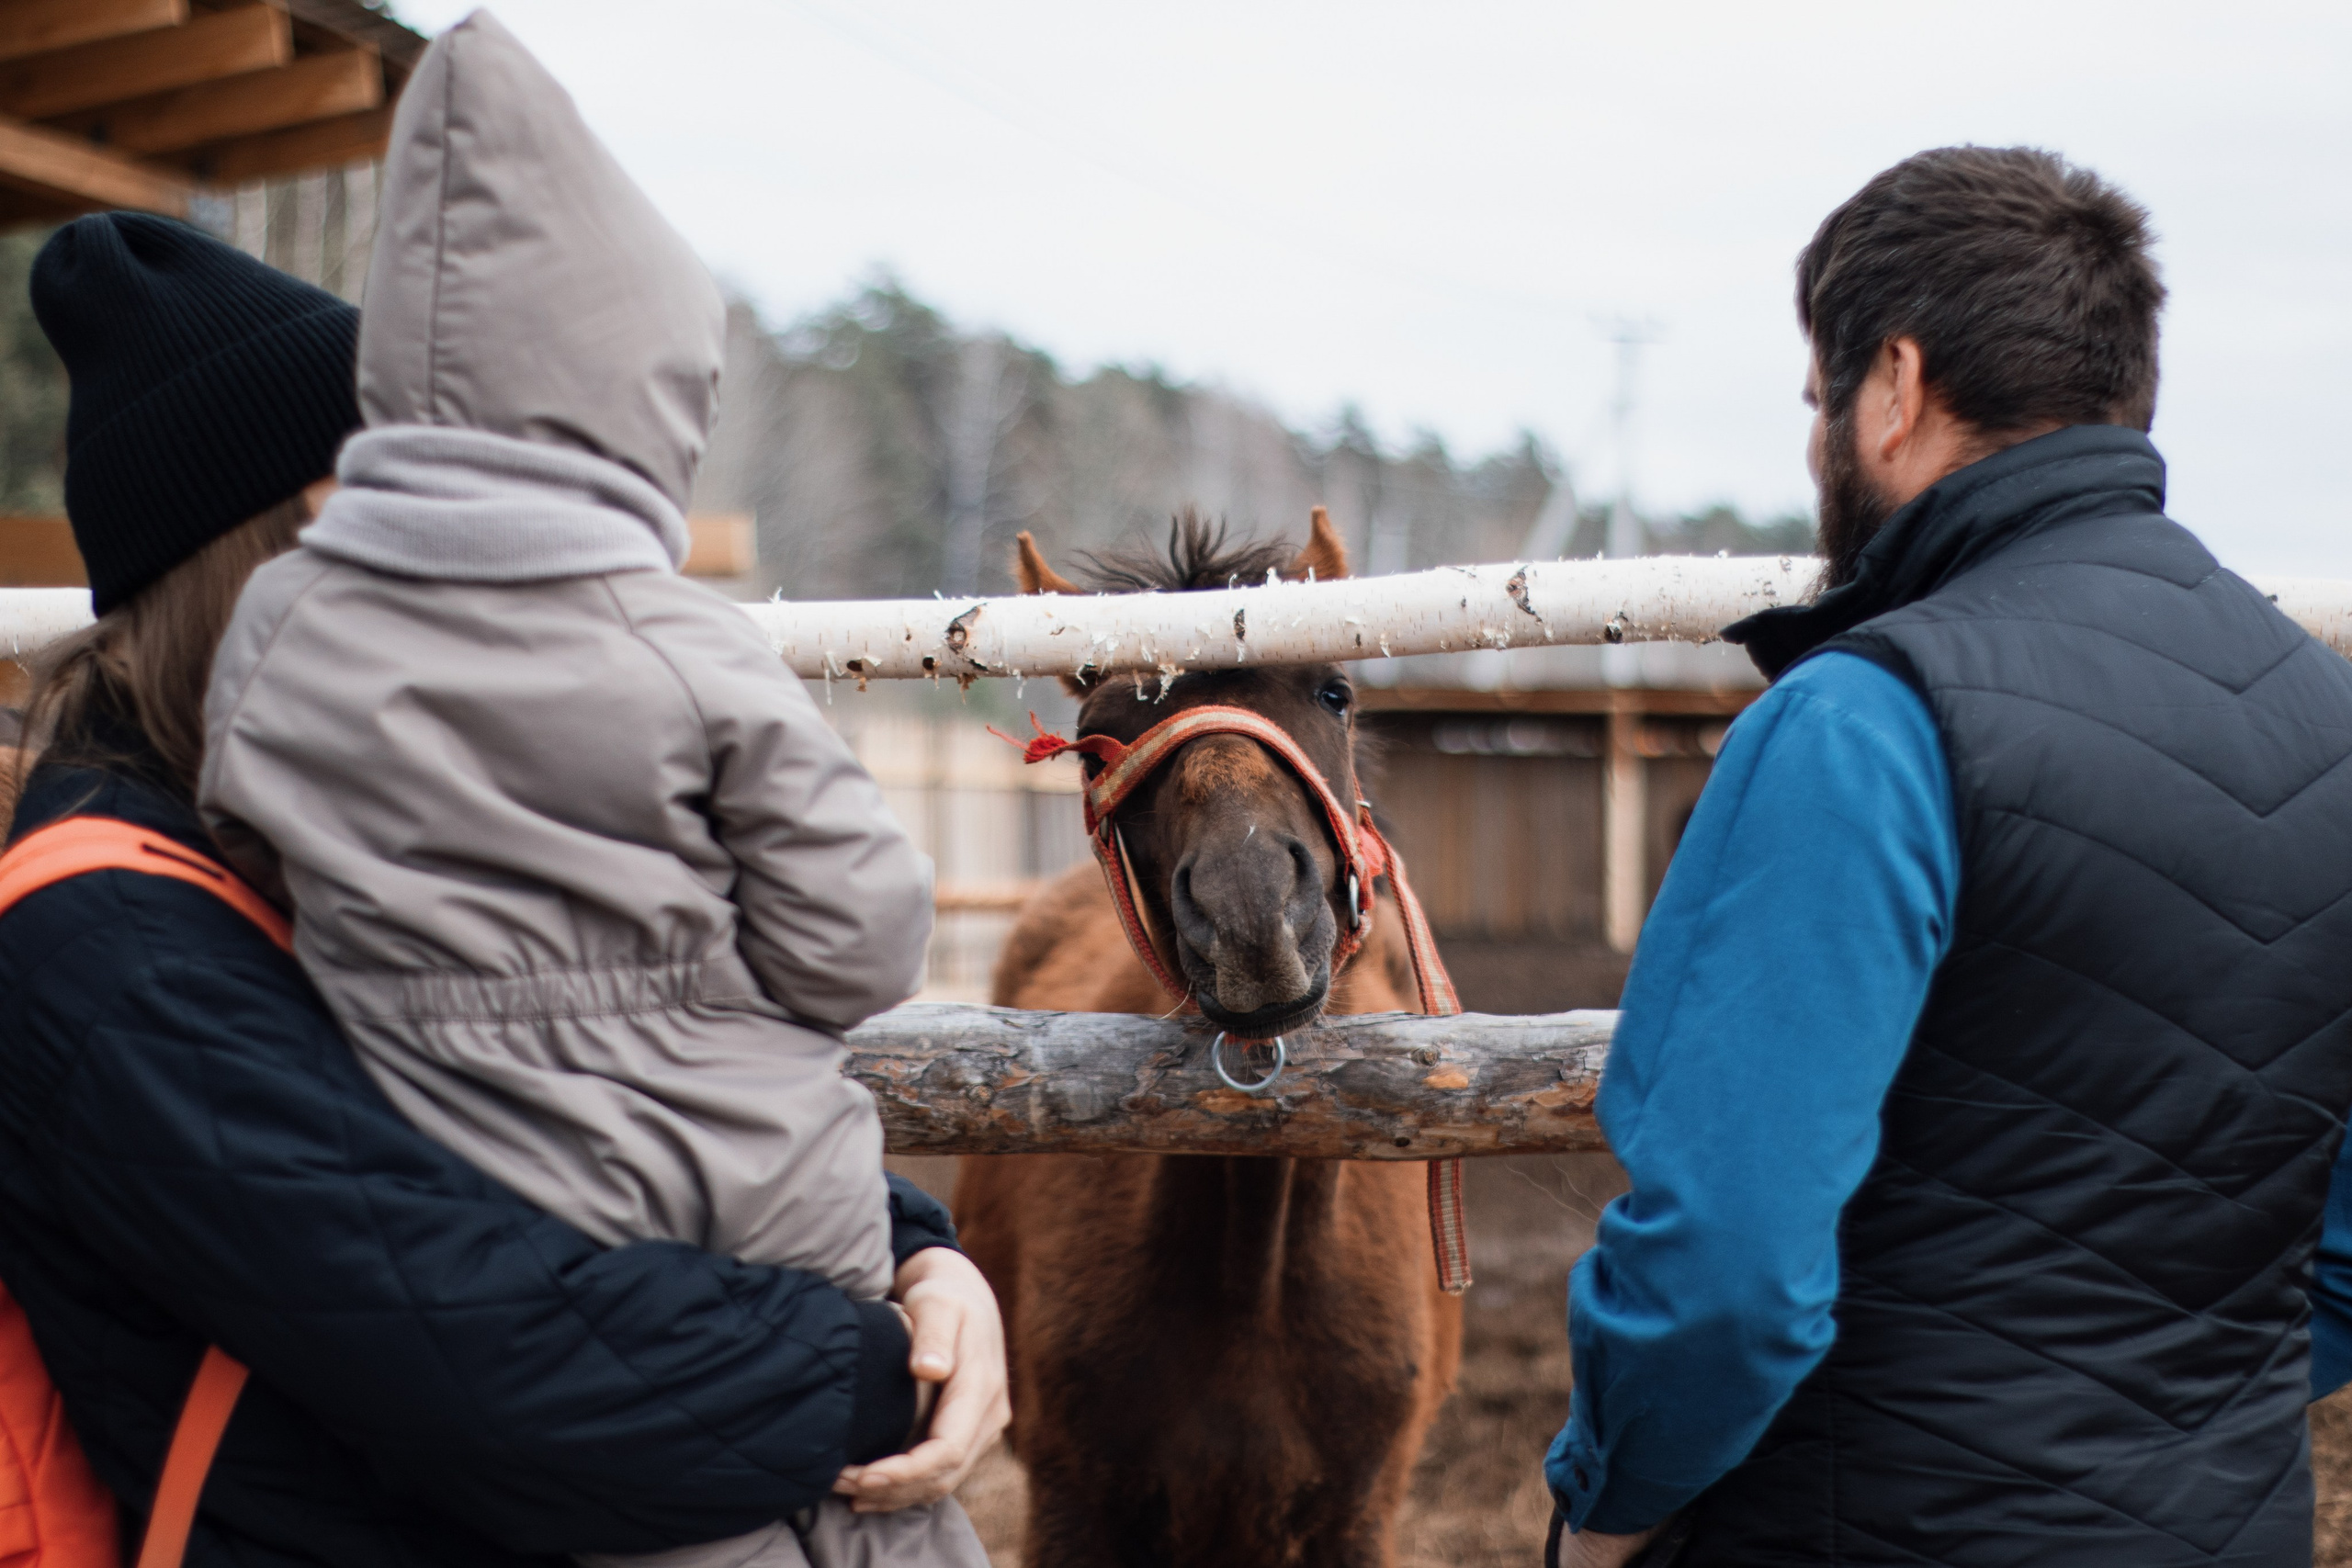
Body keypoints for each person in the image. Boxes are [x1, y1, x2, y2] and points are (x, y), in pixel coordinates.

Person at [0, 210, 1005, 1562]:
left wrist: (916, 1255)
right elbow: (500, 1353)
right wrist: (878, 1365)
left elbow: (635, 1075)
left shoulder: (325, 843)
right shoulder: (108, 952)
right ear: (275, 564)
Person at [1544, 145, 2352, 1568]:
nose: (1815, 444)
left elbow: (1725, 1273)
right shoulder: (2330, 720)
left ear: (1897, 387)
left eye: (1820, 398)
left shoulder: (1862, 722)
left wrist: (1613, 1497)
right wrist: (2149, 1438)